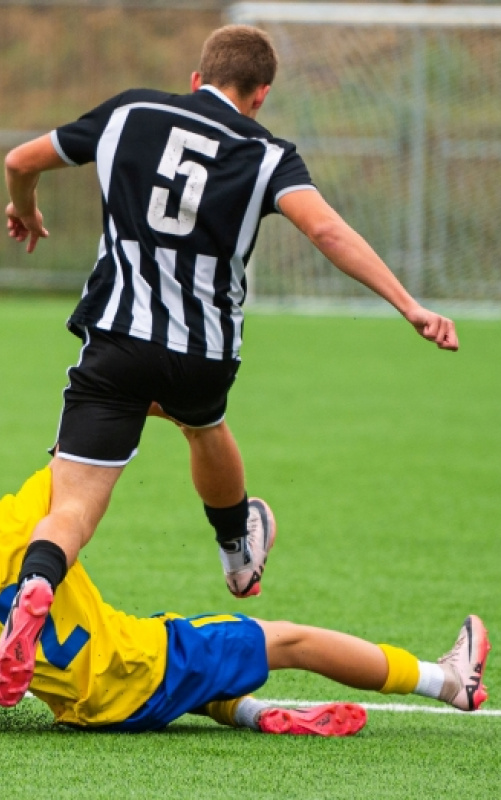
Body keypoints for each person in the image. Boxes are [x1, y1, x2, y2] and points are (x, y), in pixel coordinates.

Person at [1, 24, 459, 703]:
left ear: (196, 77)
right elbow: (326, 230)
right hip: (202, 353)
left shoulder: (130, 113)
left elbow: (20, 158)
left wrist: (24, 207)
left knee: (71, 508)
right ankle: (237, 551)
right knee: (204, 426)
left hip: (117, 342)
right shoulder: (267, 154)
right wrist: (409, 305)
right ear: (261, 94)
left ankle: (38, 584)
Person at [0, 465, 490, 733]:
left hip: (84, 711)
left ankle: (248, 711)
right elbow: (86, 445)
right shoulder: (19, 519)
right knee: (290, 642)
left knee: (180, 672)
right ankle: (446, 681)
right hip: (148, 661)